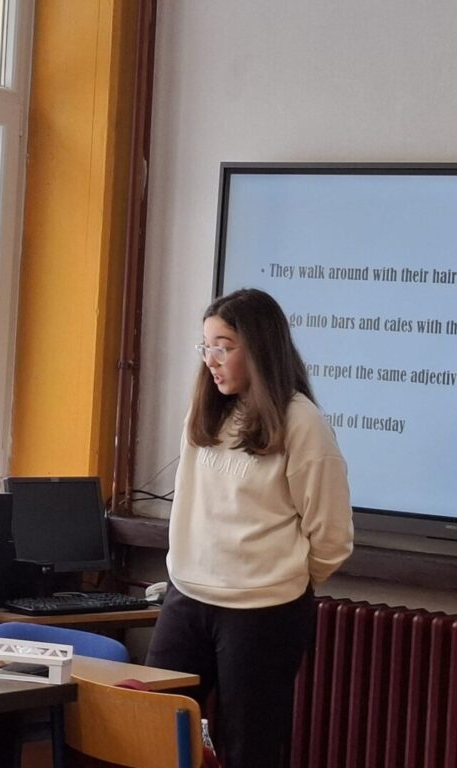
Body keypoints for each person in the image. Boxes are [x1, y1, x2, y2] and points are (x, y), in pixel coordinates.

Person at [146, 287, 354, 767]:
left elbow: (331, 534)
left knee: (249, 749)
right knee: (155, 733)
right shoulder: (207, 411)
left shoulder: (301, 422)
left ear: (258, 348)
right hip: (188, 596)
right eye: (206, 347)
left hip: (263, 611)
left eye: (224, 347)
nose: (211, 360)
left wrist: (279, 578)